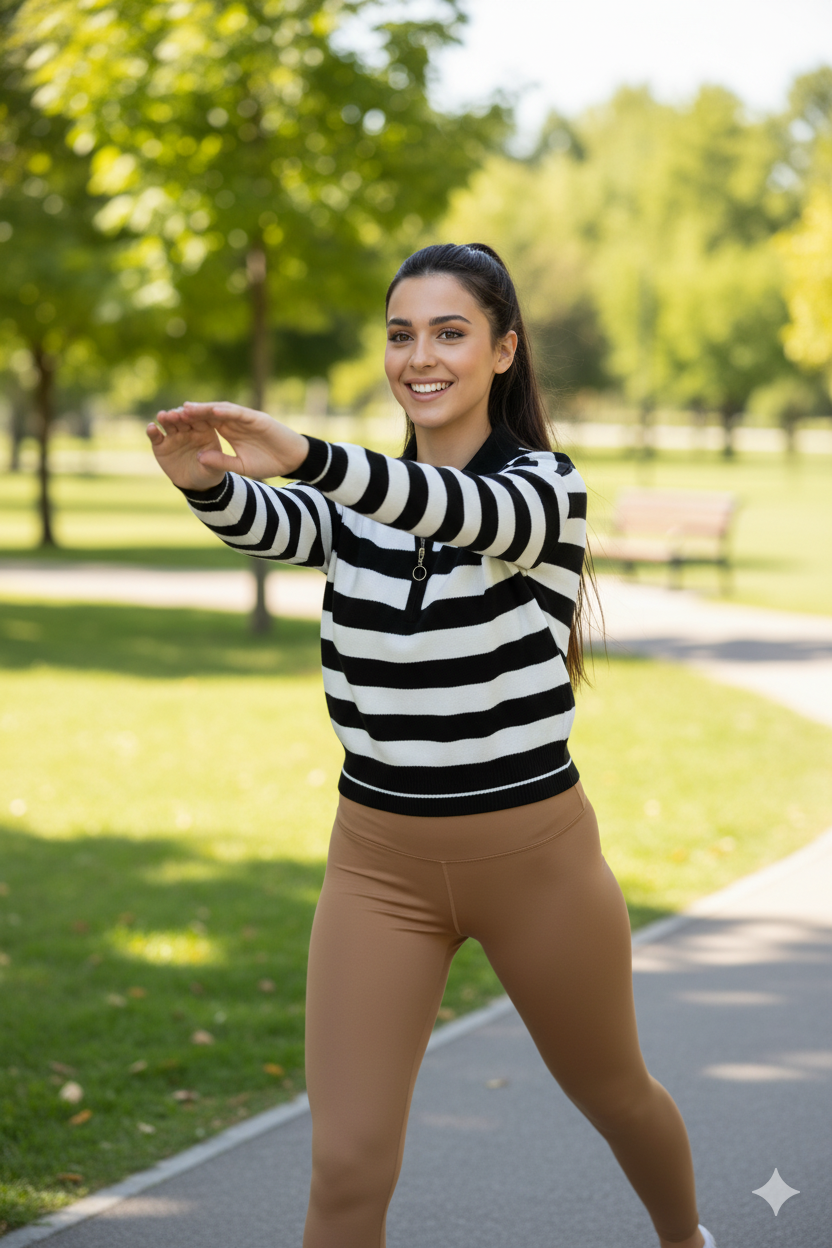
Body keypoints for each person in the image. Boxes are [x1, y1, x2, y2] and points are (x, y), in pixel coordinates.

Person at [146, 242, 716, 1248]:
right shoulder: (357, 508)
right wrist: (203, 481)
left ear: (504, 349)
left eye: (450, 333)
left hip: (535, 863)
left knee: (616, 1095)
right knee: (347, 1161)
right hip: (377, 866)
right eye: (400, 334)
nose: (420, 356)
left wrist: (314, 456)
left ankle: (686, 1240)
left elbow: (457, 510)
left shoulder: (543, 489)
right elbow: (275, 521)